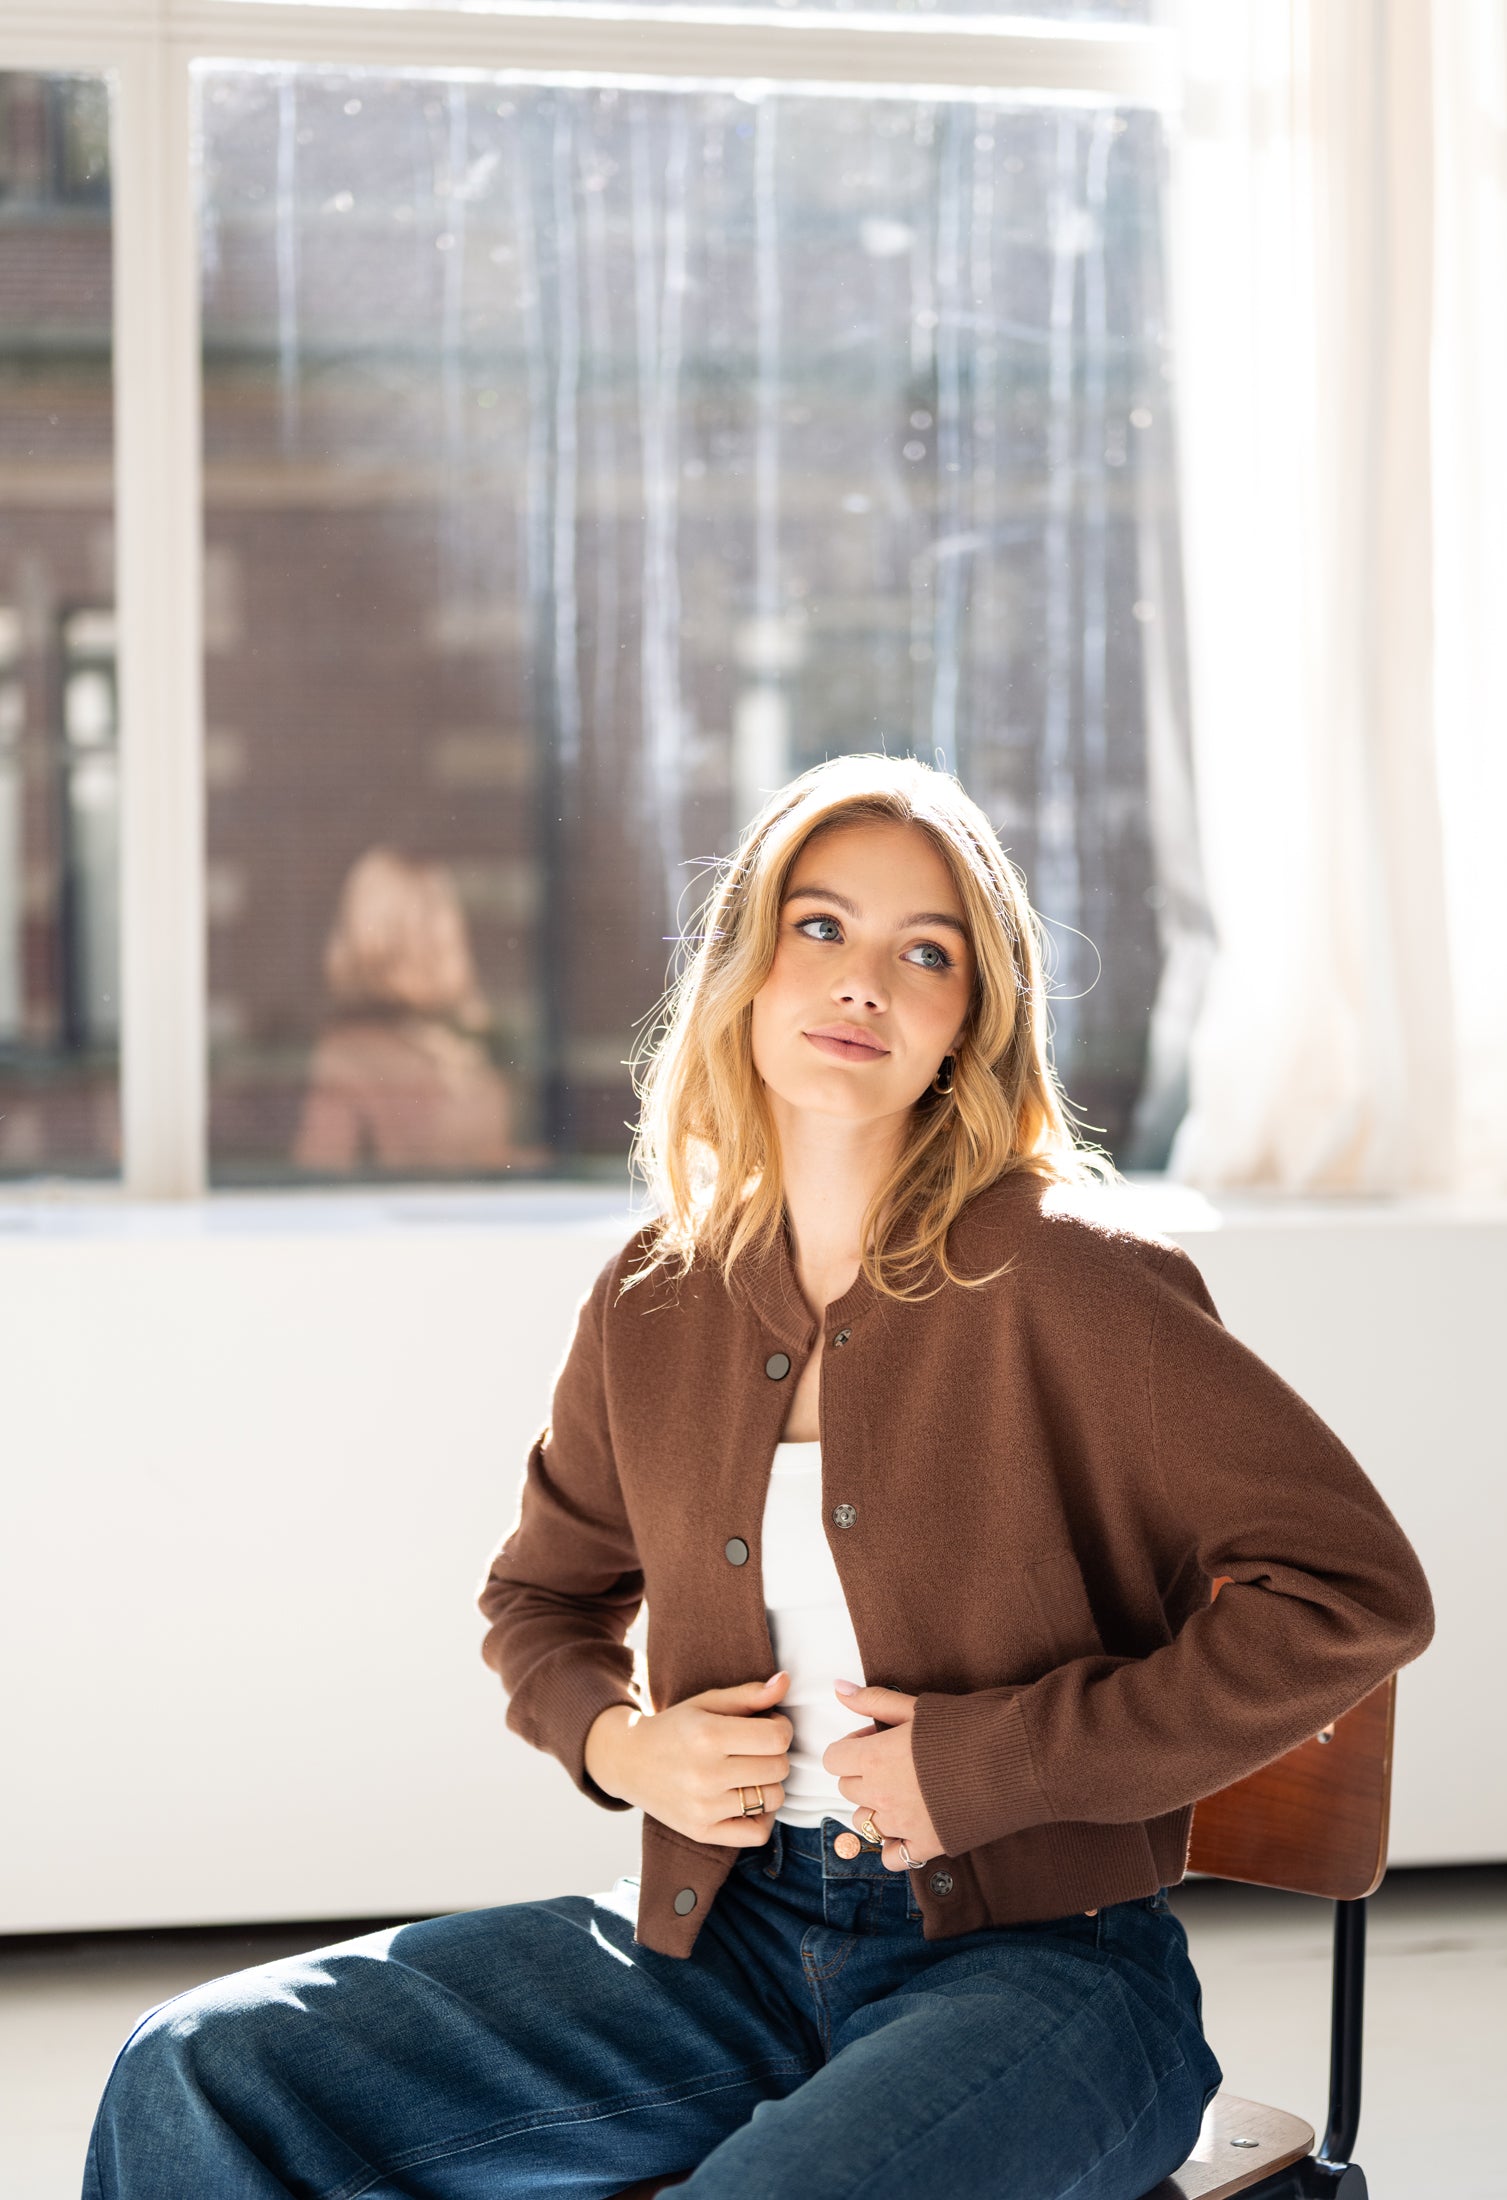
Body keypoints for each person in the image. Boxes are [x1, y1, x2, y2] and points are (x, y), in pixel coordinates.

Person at [83, 754, 1435, 2199]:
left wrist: (1002, 1762)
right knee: (199, 2070)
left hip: (1054, 1980)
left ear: (967, 1025)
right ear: (744, 965)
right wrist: (624, 1748)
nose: (864, 981)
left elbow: (1352, 1595)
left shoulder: (1075, 1285)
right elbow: (539, 1600)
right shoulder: (656, 1298)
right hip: (716, 1946)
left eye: (927, 953)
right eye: (820, 927)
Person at [291, 844, 529, 1173]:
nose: (454, 934)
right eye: (443, 918)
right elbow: (316, 1187)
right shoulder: (352, 1059)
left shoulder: (469, 1039)